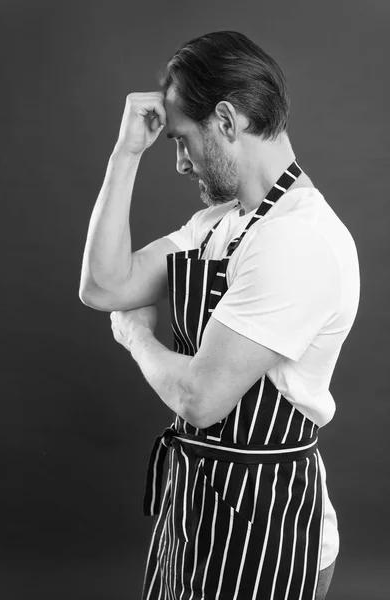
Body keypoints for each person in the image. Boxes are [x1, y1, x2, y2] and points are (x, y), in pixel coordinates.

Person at [79, 31, 360, 600]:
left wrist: (137, 338)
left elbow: (200, 400)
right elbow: (104, 285)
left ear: (227, 121)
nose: (180, 163)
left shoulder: (296, 240)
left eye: (183, 140)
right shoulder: (223, 223)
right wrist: (125, 152)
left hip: (268, 529)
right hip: (197, 510)